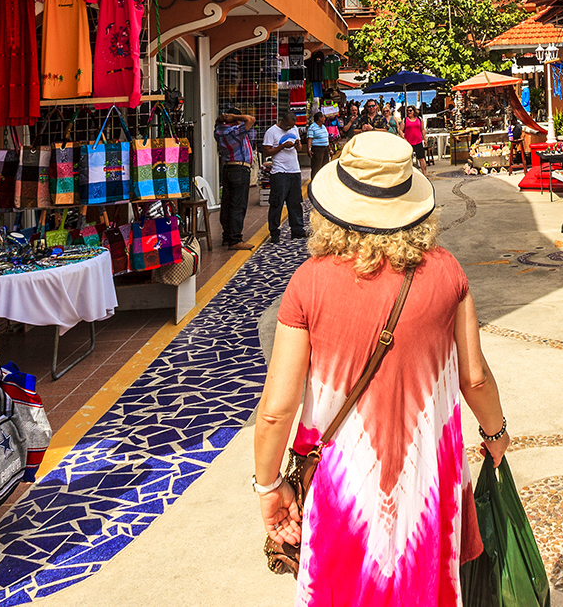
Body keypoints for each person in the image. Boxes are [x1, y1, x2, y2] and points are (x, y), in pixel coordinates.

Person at [252, 132, 506, 600]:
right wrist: (496, 433)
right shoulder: (447, 271)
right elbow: (475, 377)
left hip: (343, 495)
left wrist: (268, 486)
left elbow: (275, 411)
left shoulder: (309, 283)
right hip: (429, 489)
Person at [215, 106, 259, 251]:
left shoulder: (219, 131)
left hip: (228, 168)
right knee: (238, 205)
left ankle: (227, 236)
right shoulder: (234, 132)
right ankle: (235, 239)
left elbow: (218, 122)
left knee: (227, 204)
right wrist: (234, 117)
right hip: (239, 170)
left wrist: (225, 118)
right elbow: (251, 119)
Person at [263, 112, 308, 241]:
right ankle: (274, 232)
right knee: (277, 203)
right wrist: (282, 146)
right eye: (288, 126)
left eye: (292, 126)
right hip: (279, 172)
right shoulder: (271, 132)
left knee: (295, 202)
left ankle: (297, 229)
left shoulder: (294, 129)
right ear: (282, 121)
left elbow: (299, 149)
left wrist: (298, 145)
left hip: (294, 170)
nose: (289, 128)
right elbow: (266, 152)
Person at [307, 109, 332, 178]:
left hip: (325, 148)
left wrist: (329, 149)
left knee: (325, 166)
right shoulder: (312, 127)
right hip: (317, 149)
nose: (324, 119)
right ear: (319, 118)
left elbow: (326, 139)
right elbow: (310, 138)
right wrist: (309, 149)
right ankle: (314, 180)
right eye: (323, 117)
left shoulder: (323, 127)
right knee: (316, 167)